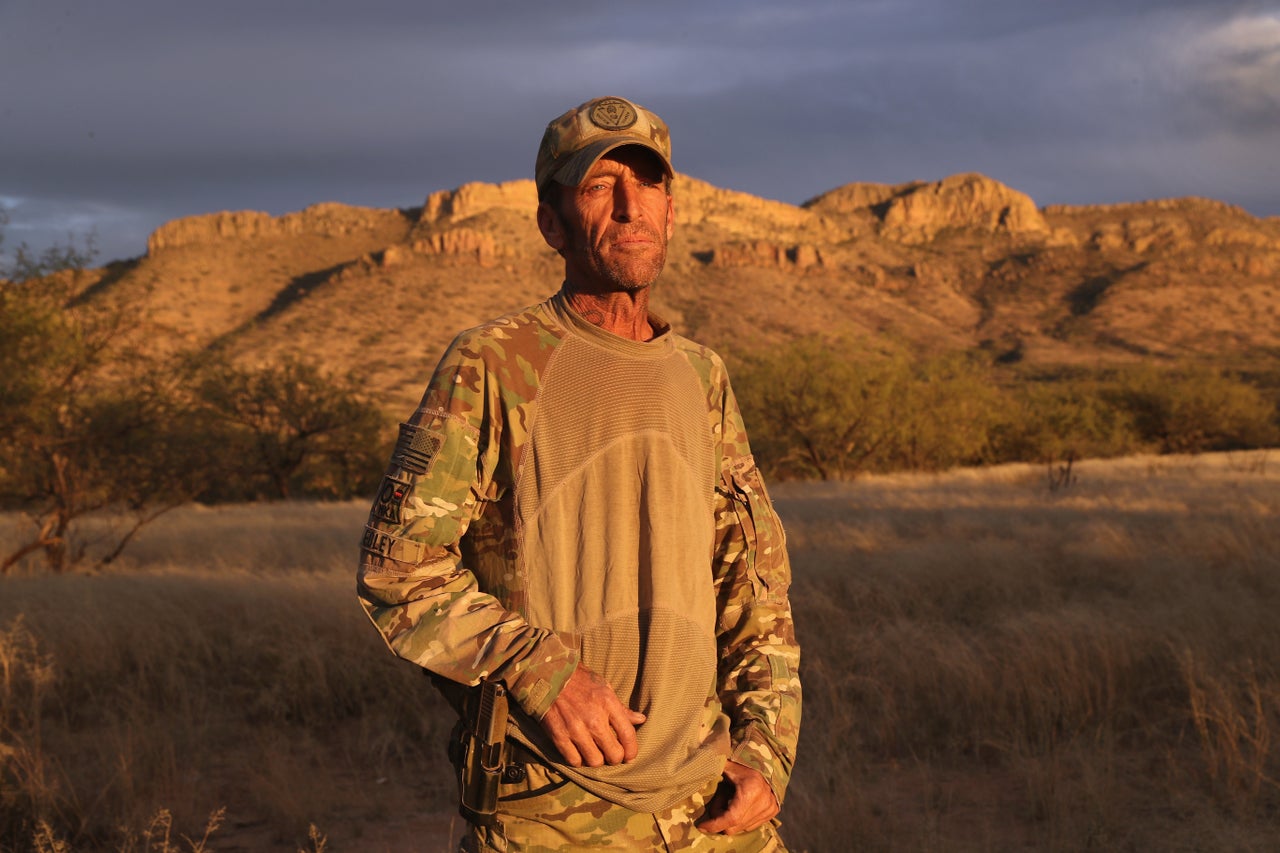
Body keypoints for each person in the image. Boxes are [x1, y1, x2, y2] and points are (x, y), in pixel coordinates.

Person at [357, 95, 800, 852]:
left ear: (671, 208)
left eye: (647, 184)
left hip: (712, 810)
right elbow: (397, 569)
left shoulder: (703, 375)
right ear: (552, 224)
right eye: (599, 186)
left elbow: (753, 584)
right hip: (556, 814)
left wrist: (767, 749)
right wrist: (539, 669)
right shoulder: (492, 365)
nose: (630, 207)